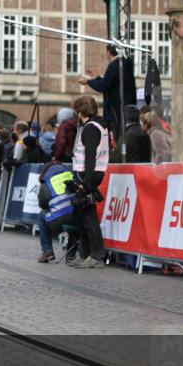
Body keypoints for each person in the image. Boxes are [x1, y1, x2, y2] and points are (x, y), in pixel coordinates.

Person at [70, 95, 109, 269]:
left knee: (88, 217)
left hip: (87, 175)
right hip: (90, 174)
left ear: (80, 111)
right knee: (82, 216)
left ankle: (96, 255)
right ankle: (85, 253)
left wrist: (86, 182)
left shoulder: (90, 128)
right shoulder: (97, 125)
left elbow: (90, 158)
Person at [78, 44, 136, 140]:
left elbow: (104, 86)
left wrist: (88, 82)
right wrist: (97, 78)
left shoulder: (114, 65)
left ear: (109, 52)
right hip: (124, 109)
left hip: (115, 113)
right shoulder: (125, 65)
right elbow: (111, 84)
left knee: (115, 140)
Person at [36, 160, 79, 264]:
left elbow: (42, 204)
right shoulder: (70, 175)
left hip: (57, 222)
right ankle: (70, 256)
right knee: (72, 217)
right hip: (76, 220)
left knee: (42, 215)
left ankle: (47, 251)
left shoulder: (46, 181)